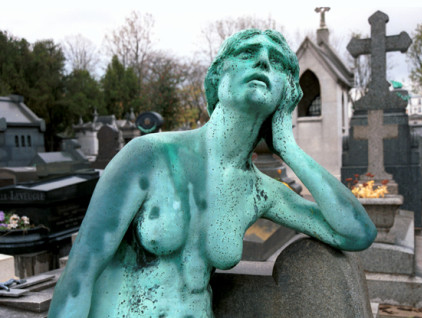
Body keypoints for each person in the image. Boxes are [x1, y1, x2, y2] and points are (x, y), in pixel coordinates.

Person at [48, 29, 377, 318]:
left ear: (285, 95)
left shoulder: (259, 191)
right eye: (248, 54)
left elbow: (356, 234)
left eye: (277, 62)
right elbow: (79, 276)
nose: (263, 62)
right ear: (219, 77)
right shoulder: (149, 156)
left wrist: (288, 147)